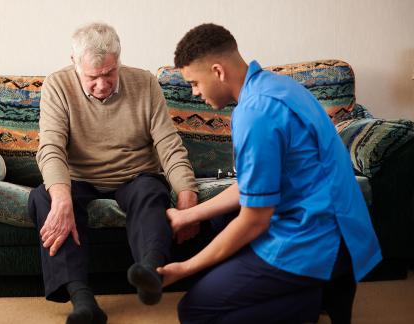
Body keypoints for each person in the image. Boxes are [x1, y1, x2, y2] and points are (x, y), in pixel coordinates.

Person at [156, 23, 382, 324]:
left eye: (195, 83)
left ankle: (311, 299)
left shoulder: (254, 113)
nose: (195, 93)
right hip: (343, 230)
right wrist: (187, 215)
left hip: (315, 238)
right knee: (221, 222)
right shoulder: (277, 86)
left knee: (194, 310)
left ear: (217, 71)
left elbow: (255, 219)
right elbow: (253, 186)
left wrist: (185, 268)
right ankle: (315, 292)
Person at [29, 22, 199, 324]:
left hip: (134, 175)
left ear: (118, 61)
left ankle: (149, 270)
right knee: (45, 198)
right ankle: (83, 301)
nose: (102, 84)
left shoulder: (144, 83)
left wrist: (188, 197)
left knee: (152, 191)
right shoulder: (57, 85)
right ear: (75, 64)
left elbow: (169, 145)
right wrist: (62, 197)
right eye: (92, 77)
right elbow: (51, 148)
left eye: (109, 73)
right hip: (79, 177)